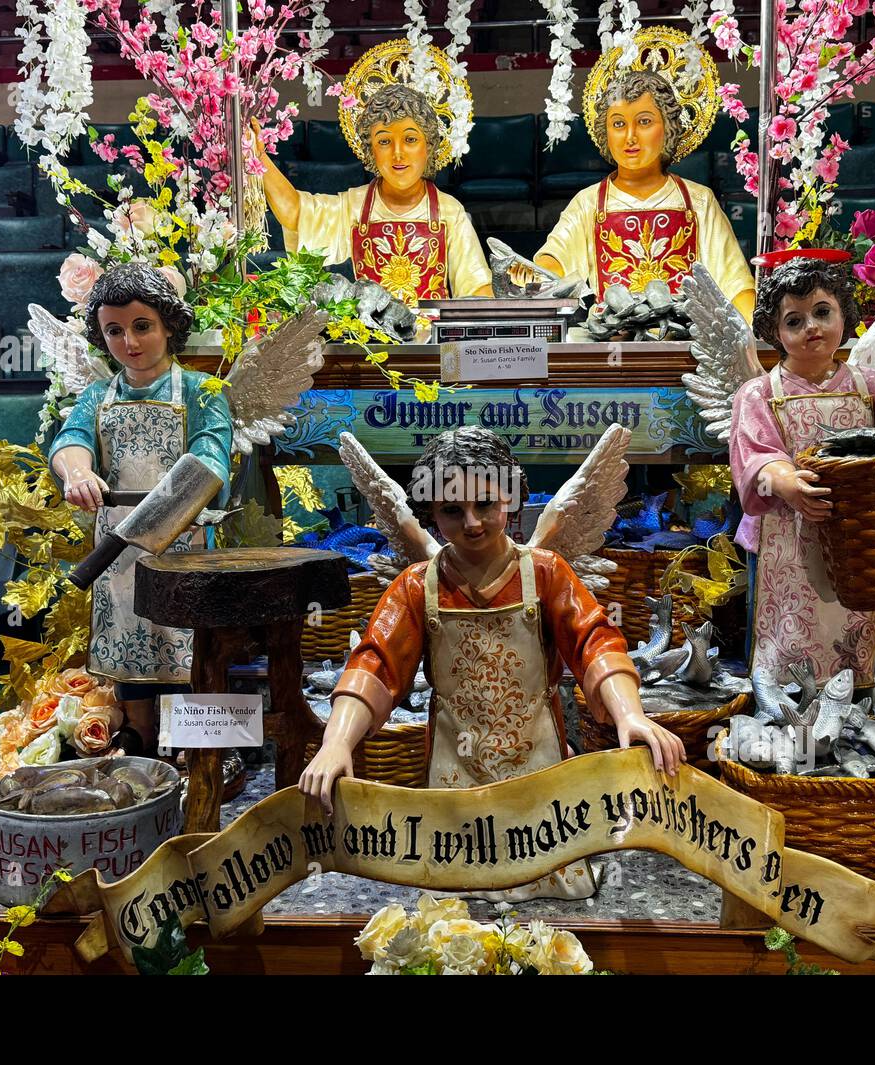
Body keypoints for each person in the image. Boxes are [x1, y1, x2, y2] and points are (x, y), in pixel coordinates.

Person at [298, 426, 684, 900]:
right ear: (431, 511)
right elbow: (376, 662)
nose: (473, 523)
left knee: (546, 889)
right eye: (451, 511)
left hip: (539, 781)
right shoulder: (419, 586)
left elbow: (594, 640)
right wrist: (336, 743)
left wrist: (630, 715)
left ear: (512, 496)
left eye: (485, 504)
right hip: (452, 783)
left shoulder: (544, 572)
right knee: (453, 898)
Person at [48, 263, 232, 753]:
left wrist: (163, 512)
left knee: (182, 644)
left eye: (141, 326)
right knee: (127, 640)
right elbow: (70, 441)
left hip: (182, 544)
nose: (128, 342)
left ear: (169, 324)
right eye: (114, 330)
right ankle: (139, 740)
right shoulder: (97, 396)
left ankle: (194, 748)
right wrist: (78, 472)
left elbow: (209, 462)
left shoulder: (200, 393)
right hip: (115, 555)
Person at [728, 255, 875, 686]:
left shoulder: (869, 385)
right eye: (795, 320)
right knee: (790, 623)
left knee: (857, 618)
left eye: (823, 313)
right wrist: (787, 482)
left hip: (858, 535)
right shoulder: (758, 394)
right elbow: (753, 456)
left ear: (845, 314)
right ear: (775, 333)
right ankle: (785, 700)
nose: (811, 327)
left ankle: (861, 697)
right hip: (785, 532)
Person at [529, 29, 755, 318]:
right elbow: (555, 261)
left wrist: (756, 330)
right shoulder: (589, 203)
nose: (630, 137)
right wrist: (539, 271)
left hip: (685, 344)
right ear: (605, 132)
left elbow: (734, 282)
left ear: (668, 128)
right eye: (619, 124)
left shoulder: (697, 202)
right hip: (613, 343)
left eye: (644, 121)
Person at [257, 41, 491, 303]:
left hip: (431, 340)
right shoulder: (354, 207)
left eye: (411, 140)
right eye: (384, 141)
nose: (398, 153)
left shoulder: (450, 212)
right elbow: (295, 213)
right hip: (371, 338)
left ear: (430, 147)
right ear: (370, 150)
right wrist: (258, 155)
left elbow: (477, 290)